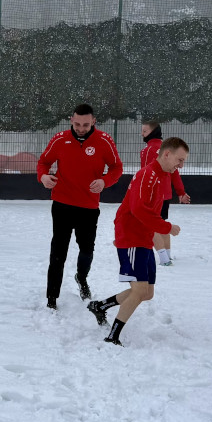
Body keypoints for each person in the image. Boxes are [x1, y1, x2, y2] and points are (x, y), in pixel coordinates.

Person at [86, 137, 189, 345]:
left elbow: (148, 211)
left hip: (143, 238)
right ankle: (112, 337)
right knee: (140, 290)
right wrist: (166, 228)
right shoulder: (147, 175)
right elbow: (139, 209)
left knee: (147, 293)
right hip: (132, 237)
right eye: (180, 160)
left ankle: (100, 306)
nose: (181, 165)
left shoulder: (160, 175)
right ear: (167, 154)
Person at [37, 103, 124, 309]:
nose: (81, 128)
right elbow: (43, 162)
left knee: (86, 250)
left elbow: (116, 167)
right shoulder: (60, 139)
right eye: (77, 124)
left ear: (93, 121)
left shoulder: (104, 140)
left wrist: (104, 181)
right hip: (62, 204)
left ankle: (81, 278)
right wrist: (43, 177)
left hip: (88, 207)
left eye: (86, 125)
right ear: (71, 120)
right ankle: (52, 297)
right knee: (58, 251)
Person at [140, 120, 190, 265]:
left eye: (144, 131)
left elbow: (145, 173)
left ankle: (164, 259)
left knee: (152, 226)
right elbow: (175, 173)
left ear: (153, 132)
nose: (142, 134)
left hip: (152, 194)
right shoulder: (168, 150)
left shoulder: (147, 151)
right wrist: (181, 192)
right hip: (165, 195)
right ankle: (167, 256)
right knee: (162, 223)